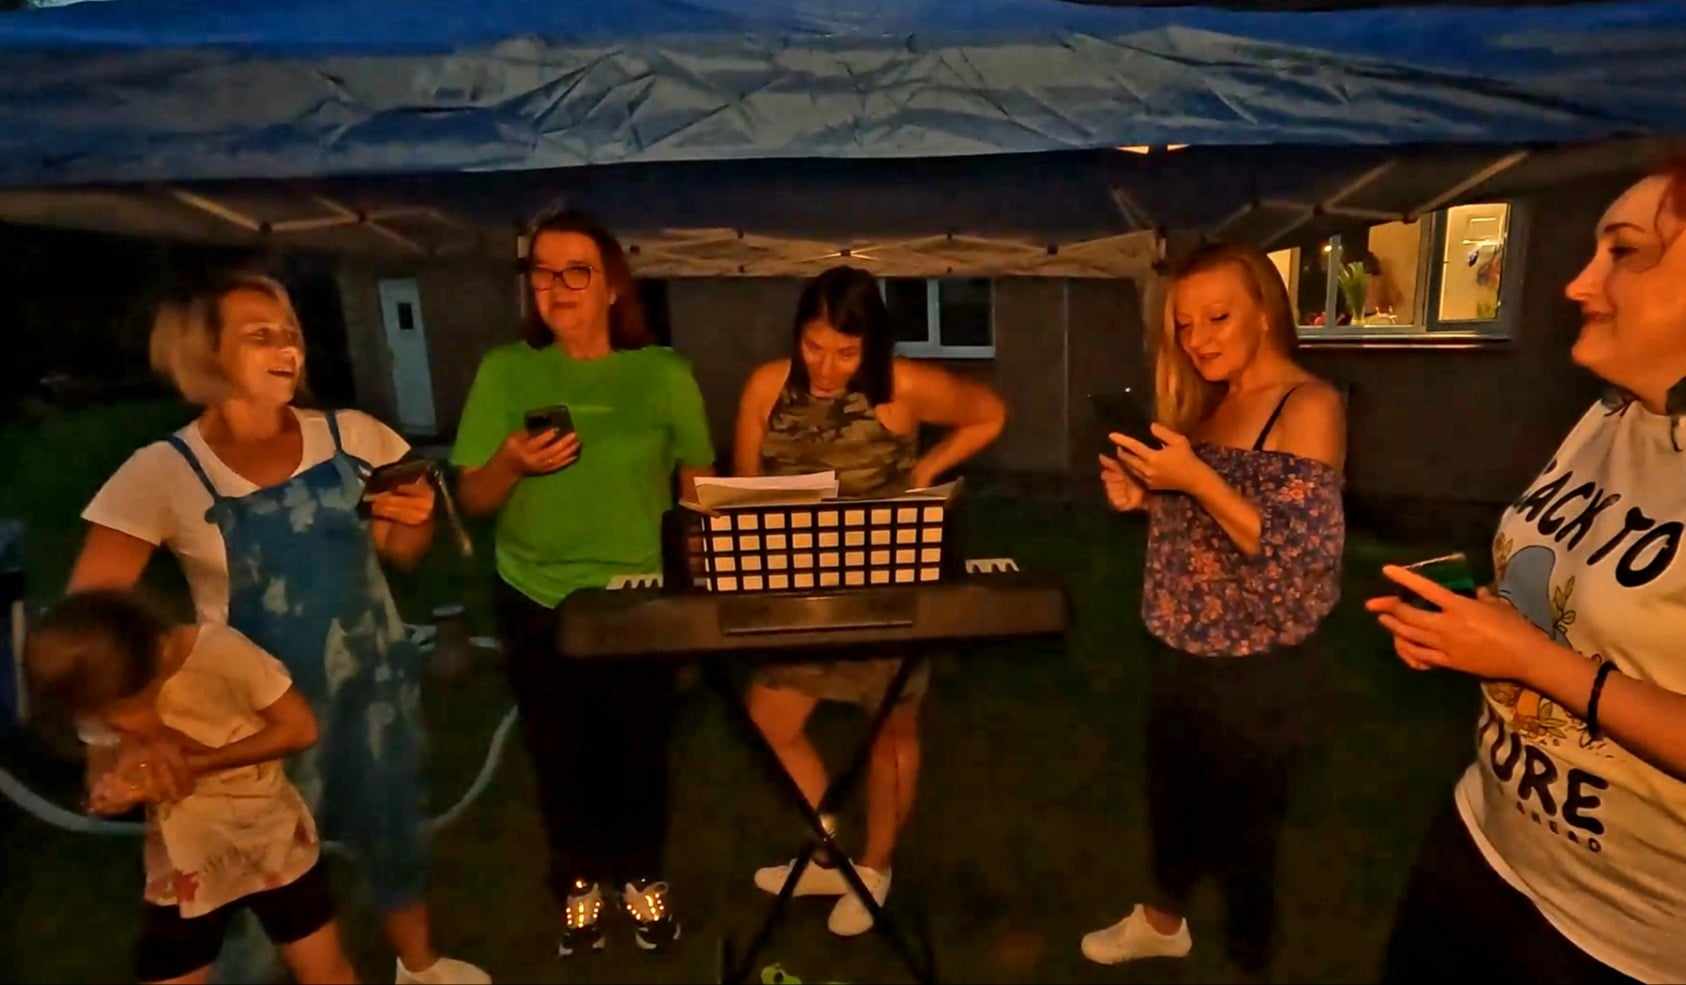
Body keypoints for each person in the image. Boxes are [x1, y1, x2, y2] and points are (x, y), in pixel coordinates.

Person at [67, 272, 487, 985]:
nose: (286, 347)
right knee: (258, 881)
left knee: (394, 830)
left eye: (290, 332)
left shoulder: (354, 437)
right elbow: (89, 621)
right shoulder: (163, 472)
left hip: (372, 687)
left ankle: (419, 966)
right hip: (249, 720)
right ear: (206, 351)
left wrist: (409, 520)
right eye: (259, 334)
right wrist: (122, 736)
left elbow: (400, 555)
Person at [1370, 165, 1686, 984]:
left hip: (1619, 936)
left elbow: (1551, 657)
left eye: (1624, 251)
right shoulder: (1609, 414)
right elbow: (1569, 604)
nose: (1578, 283)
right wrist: (1476, 628)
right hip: (1484, 834)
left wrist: (1526, 657)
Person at [451, 210, 716, 958]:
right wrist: (510, 464)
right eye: (542, 270)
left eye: (576, 270)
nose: (557, 286)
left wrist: (700, 585)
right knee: (558, 751)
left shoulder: (664, 374)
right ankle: (576, 881)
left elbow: (697, 485)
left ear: (612, 286)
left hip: (639, 598)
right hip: (534, 594)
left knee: (639, 750)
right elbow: (472, 498)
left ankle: (640, 874)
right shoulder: (506, 371)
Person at [1084, 242, 1346, 972]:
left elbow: (1301, 553)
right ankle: (1162, 922)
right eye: (1185, 325)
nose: (1197, 339)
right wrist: (1146, 499)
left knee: (1246, 834)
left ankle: (1248, 958)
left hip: (1256, 664)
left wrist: (1194, 480)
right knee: (1171, 800)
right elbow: (1214, 525)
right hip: (1180, 645)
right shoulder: (1211, 400)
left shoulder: (1308, 405)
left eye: (1218, 317)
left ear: (1265, 312)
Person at [731, 265, 1007, 936]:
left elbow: (989, 413)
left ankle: (876, 866)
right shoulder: (767, 386)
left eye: (846, 352)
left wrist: (924, 471)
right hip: (799, 591)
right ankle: (829, 849)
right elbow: (743, 487)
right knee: (768, 719)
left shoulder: (902, 385)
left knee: (891, 731)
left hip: (886, 588)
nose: (826, 367)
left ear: (873, 346)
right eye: (814, 346)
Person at [26, 589, 356, 985]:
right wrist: (114, 789)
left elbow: (300, 729)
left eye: (118, 712)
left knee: (325, 970)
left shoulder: (220, 655)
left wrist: (196, 765)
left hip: (272, 843)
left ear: (150, 668)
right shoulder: (105, 682)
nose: (116, 724)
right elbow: (106, 759)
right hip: (186, 865)